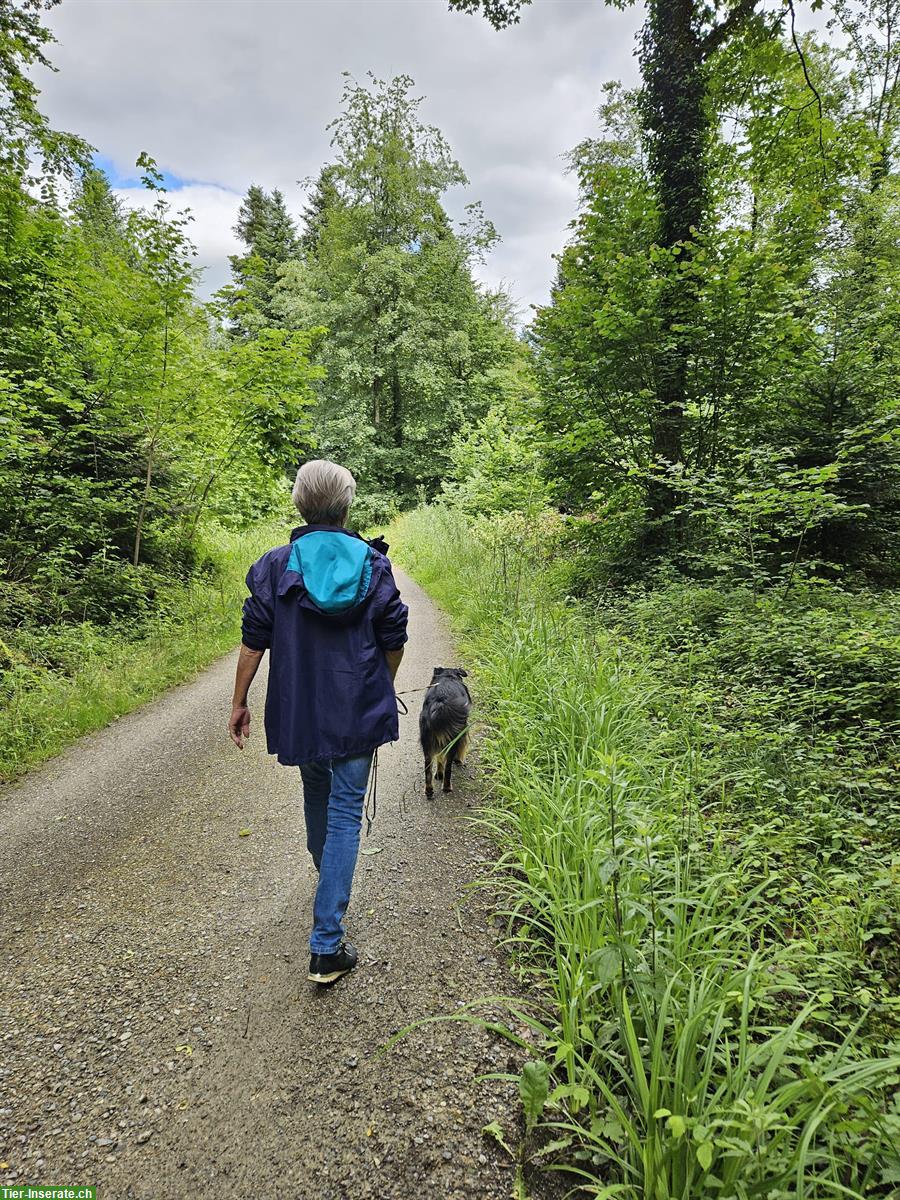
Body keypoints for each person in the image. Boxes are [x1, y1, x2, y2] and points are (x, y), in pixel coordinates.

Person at [227, 460, 408, 985]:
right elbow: (394, 638)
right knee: (346, 810)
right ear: (346, 506)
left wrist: (238, 701)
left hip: (301, 707)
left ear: (300, 505)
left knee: (316, 792)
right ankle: (326, 943)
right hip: (356, 706)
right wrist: (384, 684)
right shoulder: (373, 564)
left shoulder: (276, 564)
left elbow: (253, 639)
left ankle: (326, 884)